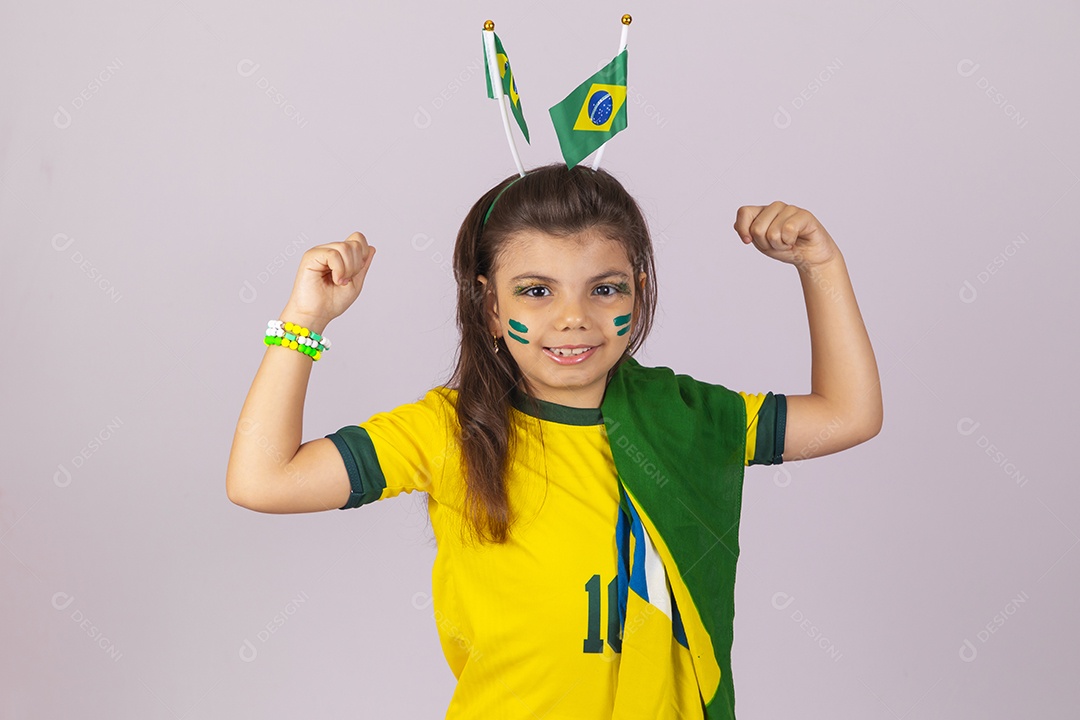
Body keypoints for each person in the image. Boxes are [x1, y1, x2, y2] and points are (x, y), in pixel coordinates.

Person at [225, 162, 882, 719]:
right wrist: (302, 321)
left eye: (605, 289)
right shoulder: (449, 429)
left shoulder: (688, 414)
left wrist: (820, 266)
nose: (574, 317)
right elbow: (263, 481)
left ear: (640, 289)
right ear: (488, 305)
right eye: (536, 291)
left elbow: (847, 414)